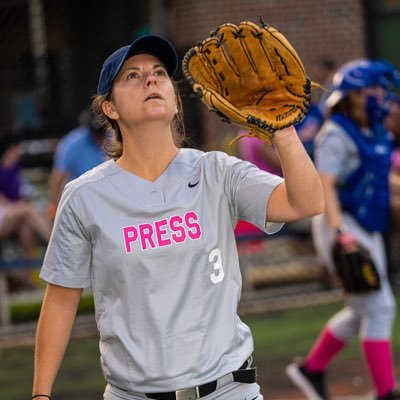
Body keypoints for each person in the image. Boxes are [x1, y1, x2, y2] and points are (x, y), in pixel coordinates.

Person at [32, 34, 324, 400]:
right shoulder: (84, 195)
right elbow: (60, 298)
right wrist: (40, 395)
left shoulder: (216, 172)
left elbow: (307, 203)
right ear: (110, 108)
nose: (151, 79)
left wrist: (283, 129)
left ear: (174, 99)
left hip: (230, 390)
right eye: (132, 77)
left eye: (159, 73)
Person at [286, 59, 400, 400]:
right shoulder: (335, 133)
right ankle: (385, 392)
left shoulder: (373, 130)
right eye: (372, 90)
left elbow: (378, 177)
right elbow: (326, 187)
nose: (380, 96)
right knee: (380, 307)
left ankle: (311, 369)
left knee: (361, 308)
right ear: (351, 96)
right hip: (341, 224)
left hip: (366, 225)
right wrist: (340, 234)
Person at [0, 133, 52, 290]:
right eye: (17, 149)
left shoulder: (14, 169)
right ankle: (55, 243)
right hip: (3, 213)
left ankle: (28, 277)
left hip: (10, 215)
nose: (20, 152)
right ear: (9, 149)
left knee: (26, 228)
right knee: (27, 211)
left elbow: (19, 195)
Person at [46, 108, 107, 219]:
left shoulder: (114, 136)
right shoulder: (72, 143)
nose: (100, 138)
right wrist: (54, 205)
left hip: (108, 194)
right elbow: (58, 176)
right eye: (97, 134)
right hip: (81, 197)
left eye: (102, 133)